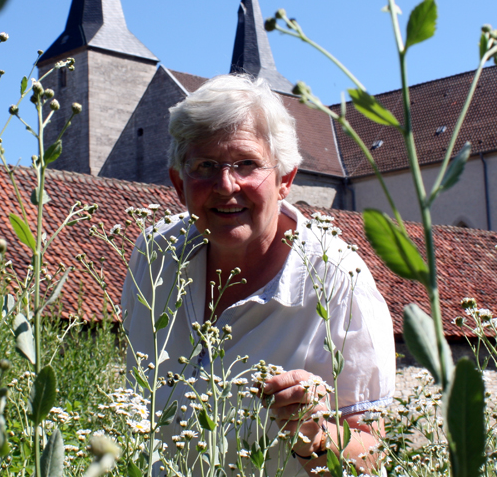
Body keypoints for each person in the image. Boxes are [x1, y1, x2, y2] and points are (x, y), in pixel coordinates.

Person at [120, 74, 395, 476]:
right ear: (179, 183)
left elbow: (373, 456)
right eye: (205, 165)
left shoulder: (337, 279)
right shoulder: (154, 256)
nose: (225, 185)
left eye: (247, 164)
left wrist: (315, 433)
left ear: (285, 179)